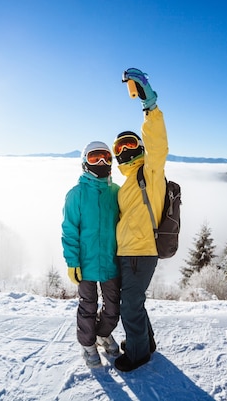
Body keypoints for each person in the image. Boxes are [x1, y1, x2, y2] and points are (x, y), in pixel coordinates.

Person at [112, 68, 168, 372]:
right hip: (127, 253)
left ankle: (137, 354)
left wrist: (150, 107)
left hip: (141, 251)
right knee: (134, 302)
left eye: (132, 144)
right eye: (120, 147)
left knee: (129, 305)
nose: (127, 150)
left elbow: (158, 145)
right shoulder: (127, 184)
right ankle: (146, 342)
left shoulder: (150, 172)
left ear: (141, 148)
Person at [61, 141, 122, 368]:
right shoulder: (75, 194)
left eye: (106, 157)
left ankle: (103, 334)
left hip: (110, 261)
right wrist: (72, 261)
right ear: (85, 162)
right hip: (85, 264)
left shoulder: (116, 192)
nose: (102, 162)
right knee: (88, 305)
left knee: (113, 306)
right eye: (95, 158)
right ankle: (88, 346)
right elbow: (69, 230)